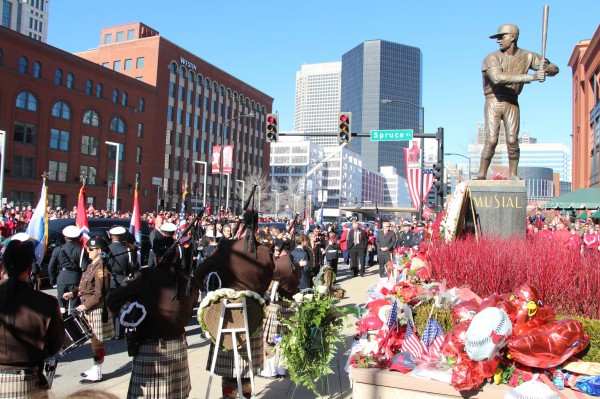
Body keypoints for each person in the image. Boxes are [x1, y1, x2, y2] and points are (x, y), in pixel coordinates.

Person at [106, 231, 199, 399]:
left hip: (150, 345)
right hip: (178, 342)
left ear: (155, 256)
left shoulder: (146, 277)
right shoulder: (188, 279)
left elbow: (113, 299)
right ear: (176, 256)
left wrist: (130, 313)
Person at [193, 210, 275, 399]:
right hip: (252, 314)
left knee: (229, 369)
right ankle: (244, 396)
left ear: (240, 226)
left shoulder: (226, 247)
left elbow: (200, 273)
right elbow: (267, 281)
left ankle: (229, 396)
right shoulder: (265, 251)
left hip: (227, 317)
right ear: (256, 227)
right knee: (245, 371)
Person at [475, 24, 559, 180]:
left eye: (502, 37)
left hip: (512, 101)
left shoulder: (528, 56)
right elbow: (498, 78)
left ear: (513, 37)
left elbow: (555, 69)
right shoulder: (491, 58)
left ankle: (513, 174)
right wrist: (532, 77)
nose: (498, 41)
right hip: (493, 100)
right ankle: (482, 173)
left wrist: (545, 68)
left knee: (512, 140)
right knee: (492, 140)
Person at [0, 238, 64, 398]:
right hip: (27, 381)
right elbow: (56, 344)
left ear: (2, 267)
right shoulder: (47, 303)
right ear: (29, 270)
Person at [63, 236, 115, 383]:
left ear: (99, 250)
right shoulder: (92, 265)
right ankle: (95, 367)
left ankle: (97, 370)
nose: (88, 251)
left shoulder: (101, 268)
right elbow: (84, 286)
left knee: (97, 341)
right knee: (94, 341)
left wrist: (85, 305)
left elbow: (100, 294)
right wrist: (73, 293)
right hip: (89, 309)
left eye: (91, 249)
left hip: (95, 309)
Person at [261, 239, 300, 378]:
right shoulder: (295, 264)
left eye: (276, 250)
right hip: (290, 306)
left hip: (275, 306)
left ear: (279, 250)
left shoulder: (276, 266)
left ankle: (271, 370)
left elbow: (266, 284)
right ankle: (282, 368)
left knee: (270, 339)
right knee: (285, 338)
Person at [48, 225, 89, 316]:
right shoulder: (81, 249)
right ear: (77, 237)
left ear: (65, 237)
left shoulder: (58, 249)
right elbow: (84, 267)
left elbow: (51, 267)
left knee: (61, 307)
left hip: (62, 278)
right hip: (75, 279)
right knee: (75, 306)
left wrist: (53, 280)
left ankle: (62, 326)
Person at [106, 226, 135, 340]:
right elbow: (132, 266)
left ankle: (113, 331)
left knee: (112, 305)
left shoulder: (106, 250)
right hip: (123, 279)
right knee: (122, 306)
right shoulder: (128, 250)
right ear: (122, 236)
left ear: (111, 236)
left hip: (111, 280)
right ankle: (120, 331)